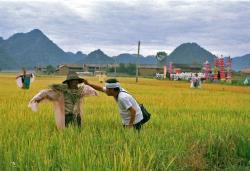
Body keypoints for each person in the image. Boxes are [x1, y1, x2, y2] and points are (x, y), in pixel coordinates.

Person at [28, 72, 98, 129]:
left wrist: (93, 90)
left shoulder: (81, 90)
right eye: (72, 81)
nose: (74, 83)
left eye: (76, 81)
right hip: (67, 117)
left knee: (78, 134)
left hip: (77, 117)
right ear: (68, 82)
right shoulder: (62, 92)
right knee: (67, 135)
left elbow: (89, 89)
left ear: (78, 82)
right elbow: (46, 93)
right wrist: (37, 100)